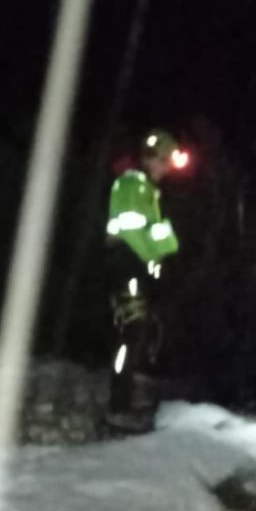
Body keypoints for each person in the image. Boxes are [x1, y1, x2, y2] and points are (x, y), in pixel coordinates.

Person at [103, 128, 186, 428]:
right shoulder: (132, 184)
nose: (166, 170)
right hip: (126, 264)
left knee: (143, 331)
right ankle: (118, 404)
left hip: (136, 266)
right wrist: (158, 248)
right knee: (133, 331)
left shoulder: (148, 190)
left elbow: (154, 232)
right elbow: (133, 229)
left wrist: (162, 246)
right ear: (154, 158)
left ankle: (128, 397)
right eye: (164, 162)